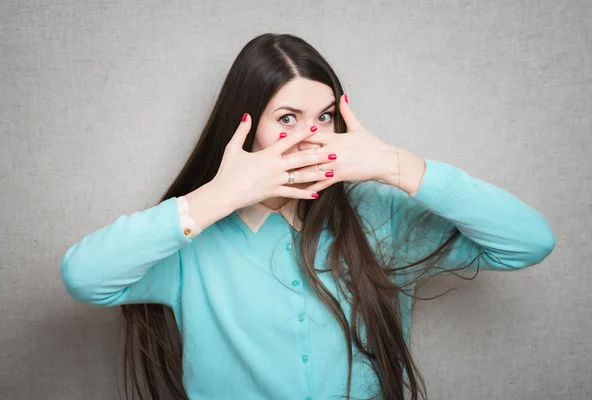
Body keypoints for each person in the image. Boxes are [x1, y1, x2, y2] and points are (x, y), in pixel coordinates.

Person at [59, 33, 556, 400]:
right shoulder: (194, 236)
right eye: (288, 119)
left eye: (324, 116)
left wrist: (394, 164)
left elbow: (528, 242)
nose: (313, 136)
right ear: (246, 127)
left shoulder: (379, 218)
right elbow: (84, 277)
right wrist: (218, 195)